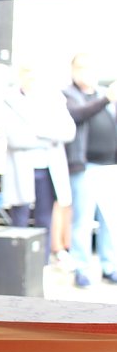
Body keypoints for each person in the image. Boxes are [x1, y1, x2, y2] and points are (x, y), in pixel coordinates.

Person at [1, 66, 75, 266]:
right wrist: (49, 136)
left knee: (45, 217)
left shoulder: (54, 100)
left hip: (48, 169)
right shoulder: (10, 100)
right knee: (20, 216)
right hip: (22, 168)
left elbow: (68, 132)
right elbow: (15, 139)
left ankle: (41, 263)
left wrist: (39, 132)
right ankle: (16, 264)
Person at [62, 52, 117, 287]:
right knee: (83, 221)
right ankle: (81, 268)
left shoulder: (103, 96)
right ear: (74, 71)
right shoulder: (69, 95)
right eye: (81, 68)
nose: (86, 73)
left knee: (110, 221)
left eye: (90, 69)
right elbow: (77, 115)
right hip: (85, 166)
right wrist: (106, 99)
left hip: (109, 166)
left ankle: (109, 266)